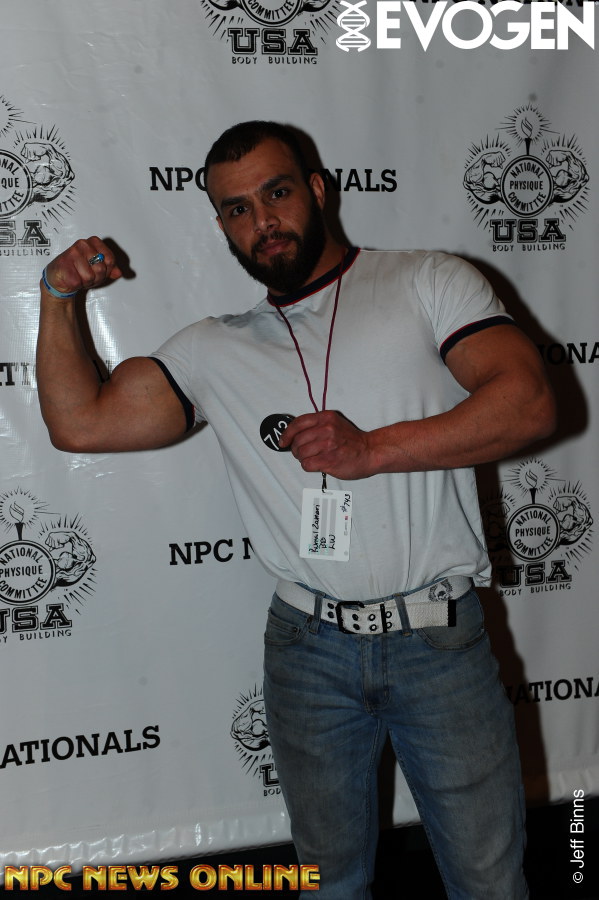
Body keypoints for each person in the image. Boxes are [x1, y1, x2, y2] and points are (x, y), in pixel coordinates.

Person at [37, 120, 556, 900]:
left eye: (275, 193)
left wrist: (371, 449)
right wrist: (57, 296)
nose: (262, 220)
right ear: (221, 226)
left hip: (437, 641)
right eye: (237, 209)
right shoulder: (214, 347)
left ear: (316, 189)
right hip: (307, 650)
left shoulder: (425, 280)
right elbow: (80, 423)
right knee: (327, 883)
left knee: (488, 881)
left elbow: (527, 402)